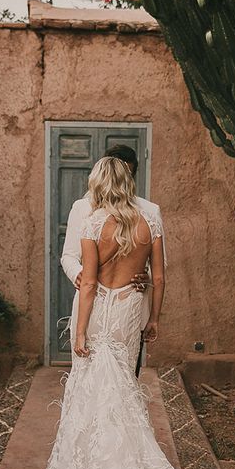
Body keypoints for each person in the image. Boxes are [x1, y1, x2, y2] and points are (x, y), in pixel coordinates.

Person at [20, 157, 225, 469]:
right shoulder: (149, 223)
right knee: (123, 388)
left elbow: (90, 282)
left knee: (91, 390)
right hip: (132, 310)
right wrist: (156, 319)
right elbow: (160, 277)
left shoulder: (94, 223)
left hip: (101, 312)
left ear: (99, 184)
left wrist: (78, 331)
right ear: (128, 182)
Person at [60, 144, 165, 375]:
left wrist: (143, 277)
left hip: (129, 303)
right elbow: (68, 255)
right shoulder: (81, 208)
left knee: (124, 375)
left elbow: (156, 269)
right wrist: (80, 273)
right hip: (94, 297)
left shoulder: (151, 210)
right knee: (106, 377)